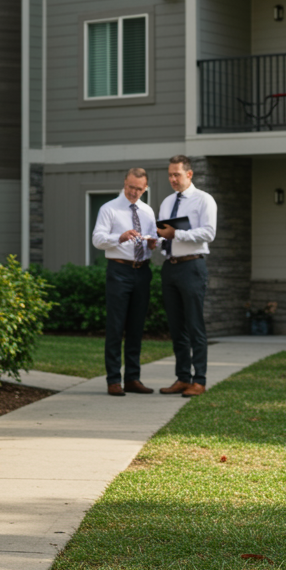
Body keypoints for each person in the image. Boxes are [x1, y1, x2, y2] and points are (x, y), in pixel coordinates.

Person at [154, 155, 218, 398]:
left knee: (194, 325)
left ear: (189, 174)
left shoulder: (204, 200)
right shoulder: (167, 202)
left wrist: (176, 234)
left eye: (176, 174)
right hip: (170, 267)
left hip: (192, 267)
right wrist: (157, 241)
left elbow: (209, 233)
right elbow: (164, 234)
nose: (172, 179)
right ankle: (182, 378)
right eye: (170, 174)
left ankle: (199, 380)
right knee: (176, 326)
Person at [91, 168, 158, 396]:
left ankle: (132, 378)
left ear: (145, 188)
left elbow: (148, 238)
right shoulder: (109, 208)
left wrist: (151, 244)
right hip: (119, 270)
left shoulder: (148, 211)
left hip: (142, 271)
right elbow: (97, 239)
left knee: (136, 327)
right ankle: (113, 380)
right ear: (124, 183)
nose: (134, 192)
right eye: (131, 187)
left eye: (139, 189)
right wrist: (118, 237)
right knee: (116, 326)